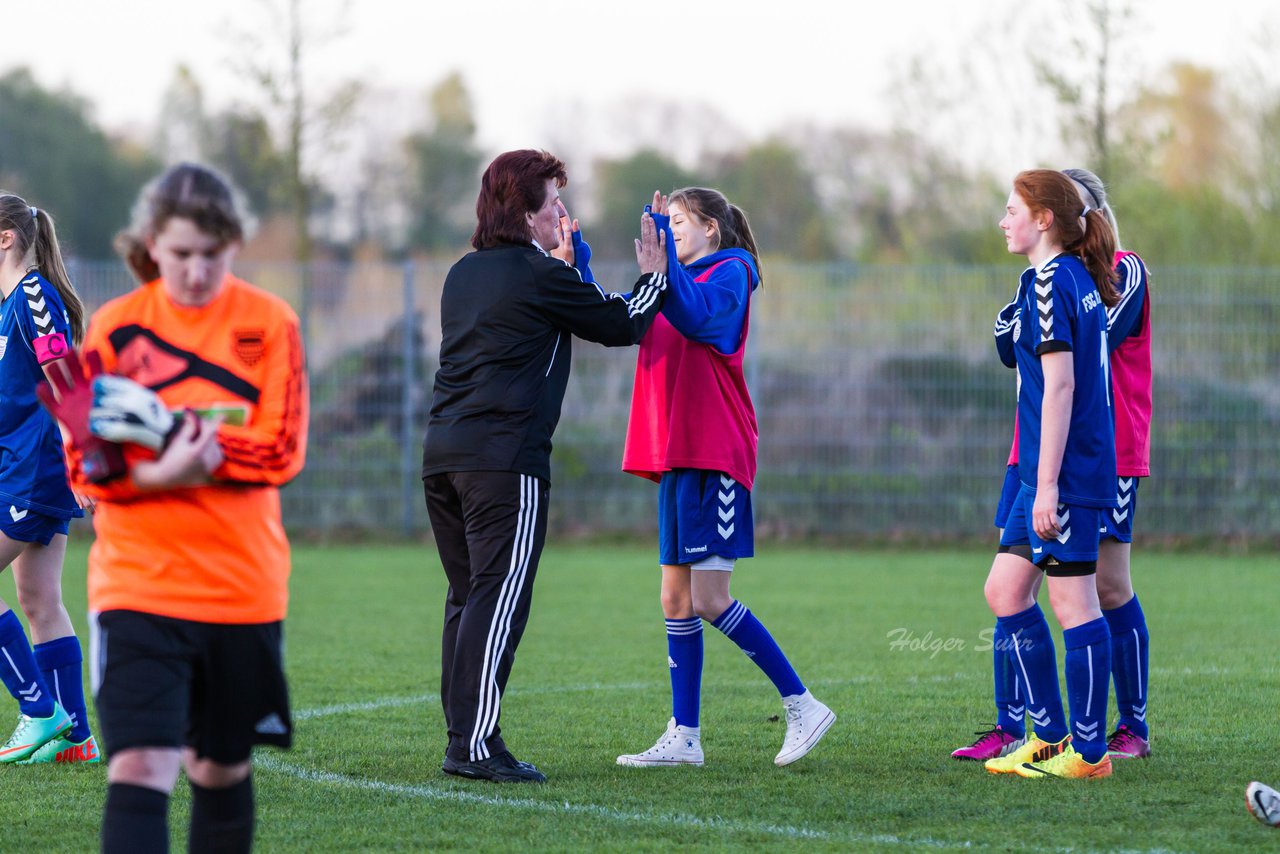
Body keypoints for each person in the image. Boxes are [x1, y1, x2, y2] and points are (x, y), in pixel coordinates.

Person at [42, 163, 307, 852]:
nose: (195, 271)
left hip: (239, 589)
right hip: (139, 586)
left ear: (235, 247)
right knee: (140, 765)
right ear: (152, 245)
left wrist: (182, 444)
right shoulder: (116, 328)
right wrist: (163, 470)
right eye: (181, 254)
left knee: (219, 768)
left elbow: (281, 450)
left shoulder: (271, 322)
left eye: (211, 256)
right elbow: (85, 469)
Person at [422, 149, 669, 784]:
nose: (564, 212)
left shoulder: (462, 273)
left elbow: (531, 320)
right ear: (527, 213)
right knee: (499, 599)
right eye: (554, 202)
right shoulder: (537, 275)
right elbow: (623, 323)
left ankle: (467, 738)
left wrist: (561, 268)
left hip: (443, 457)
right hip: (503, 463)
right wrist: (655, 274)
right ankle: (473, 747)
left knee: (468, 597)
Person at [615, 188, 835, 769]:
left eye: (680, 222)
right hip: (678, 458)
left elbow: (701, 318)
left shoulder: (731, 271)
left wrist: (664, 272)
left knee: (710, 598)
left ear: (712, 229)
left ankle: (803, 705)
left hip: (714, 455)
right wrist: (574, 257)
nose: (671, 230)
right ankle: (684, 736)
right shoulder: (674, 279)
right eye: (667, 223)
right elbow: (631, 319)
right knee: (674, 597)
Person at [952, 168, 1153, 764]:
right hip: (1041, 451)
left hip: (1087, 455)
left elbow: (1066, 366)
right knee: (1009, 588)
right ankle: (1032, 731)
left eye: (1015, 207)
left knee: (1089, 594)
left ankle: (1106, 740)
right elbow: (1006, 343)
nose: (1004, 218)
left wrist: (1047, 480)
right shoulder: (1045, 279)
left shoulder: (1100, 273)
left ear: (1061, 216)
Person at [0, 193, 97, 765]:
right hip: (23, 468)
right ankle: (76, 739)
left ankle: (39, 711)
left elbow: (63, 374)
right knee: (38, 599)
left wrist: (82, 452)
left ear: (5, 238)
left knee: (39, 598)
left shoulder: (33, 293)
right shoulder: (9, 301)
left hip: (35, 471)